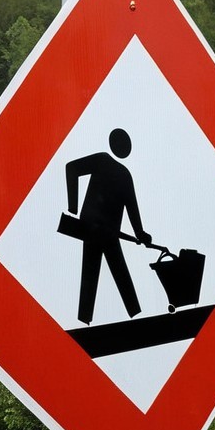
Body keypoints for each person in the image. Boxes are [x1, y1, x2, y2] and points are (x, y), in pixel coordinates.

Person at [64, 127, 152, 323]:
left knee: (101, 271)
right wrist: (73, 207)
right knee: (98, 270)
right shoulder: (110, 165)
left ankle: (88, 320)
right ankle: (91, 320)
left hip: (103, 231)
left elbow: (132, 208)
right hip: (96, 229)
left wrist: (141, 234)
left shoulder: (121, 172)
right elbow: (72, 168)